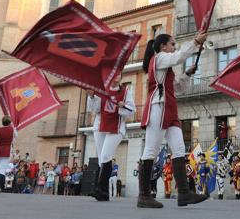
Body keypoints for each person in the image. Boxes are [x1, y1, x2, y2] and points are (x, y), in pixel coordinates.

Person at [138, 32, 209, 208]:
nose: (174, 47)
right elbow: (178, 57)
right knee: (150, 150)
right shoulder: (160, 58)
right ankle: (144, 196)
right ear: (163, 47)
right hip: (158, 106)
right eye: (172, 44)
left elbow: (177, 88)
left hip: (169, 108)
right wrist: (194, 42)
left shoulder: (164, 66)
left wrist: (186, 74)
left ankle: (184, 194)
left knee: (178, 149)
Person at [87, 80, 135, 201]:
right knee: (101, 160)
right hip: (100, 126)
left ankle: (101, 189)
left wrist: (123, 106)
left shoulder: (125, 92)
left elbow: (131, 111)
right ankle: (103, 192)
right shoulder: (101, 89)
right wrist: (92, 97)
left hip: (116, 128)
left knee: (105, 156)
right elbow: (95, 109)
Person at [0, 115, 16, 194]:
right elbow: (15, 136)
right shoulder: (12, 129)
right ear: (10, 122)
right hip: (6, 151)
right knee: (1, 171)